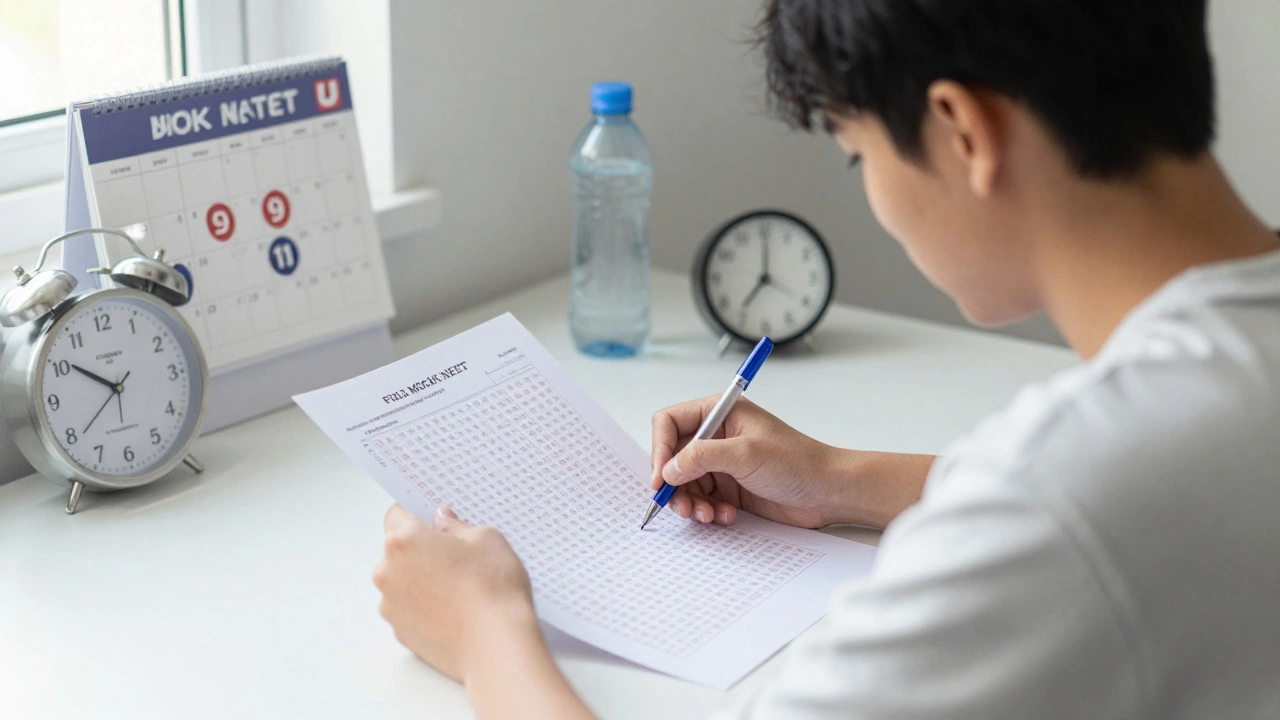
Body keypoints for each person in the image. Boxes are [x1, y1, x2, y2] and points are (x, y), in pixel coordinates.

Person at [371, 0, 1280, 717]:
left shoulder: (1060, 504)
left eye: (856, 157)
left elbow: (1081, 512)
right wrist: (840, 477)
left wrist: (485, 633)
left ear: (963, 131)